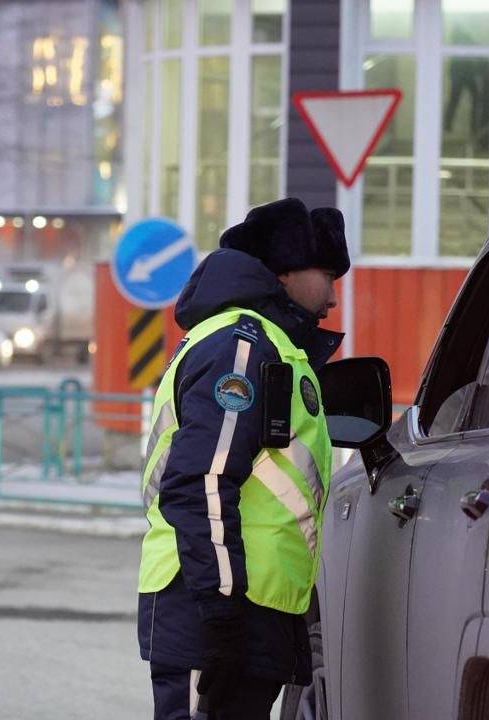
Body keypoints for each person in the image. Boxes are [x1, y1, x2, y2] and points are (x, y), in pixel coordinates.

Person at [137, 197, 350, 719]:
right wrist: (221, 606)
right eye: (328, 275)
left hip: (244, 610)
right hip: (215, 607)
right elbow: (201, 480)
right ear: (287, 272)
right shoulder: (241, 345)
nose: (332, 298)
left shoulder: (266, 346)